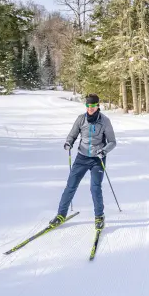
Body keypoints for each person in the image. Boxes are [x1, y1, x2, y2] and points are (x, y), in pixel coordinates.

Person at [49, 94, 117, 230]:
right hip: (82, 157)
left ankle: (99, 216)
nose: (90, 109)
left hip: (98, 158)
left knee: (95, 188)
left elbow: (112, 142)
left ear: (98, 106)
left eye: (92, 106)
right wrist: (68, 142)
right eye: (88, 106)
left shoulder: (105, 121)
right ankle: (61, 215)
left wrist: (103, 151)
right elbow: (72, 135)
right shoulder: (81, 119)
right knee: (71, 186)